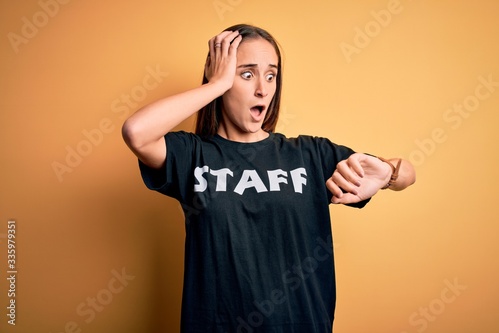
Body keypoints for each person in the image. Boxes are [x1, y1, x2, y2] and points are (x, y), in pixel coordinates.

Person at [122, 24, 416, 333]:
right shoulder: (193, 156)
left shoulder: (309, 155)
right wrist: (215, 84)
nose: (263, 88)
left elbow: (407, 173)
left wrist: (388, 173)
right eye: (247, 74)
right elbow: (136, 132)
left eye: (271, 75)